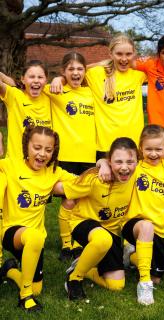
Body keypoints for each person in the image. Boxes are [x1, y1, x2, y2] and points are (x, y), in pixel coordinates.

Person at [54, 137, 138, 300]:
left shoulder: (137, 174)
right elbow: (58, 188)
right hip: (83, 224)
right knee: (102, 239)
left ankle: (85, 268)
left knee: (116, 285)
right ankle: (74, 279)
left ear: (137, 161)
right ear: (110, 161)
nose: (125, 167)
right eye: (118, 162)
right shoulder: (95, 179)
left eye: (130, 161)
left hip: (111, 233)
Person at [0, 125, 73, 311]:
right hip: (11, 232)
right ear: (27, 146)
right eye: (37, 148)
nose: (42, 154)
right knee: (35, 236)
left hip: (35, 242)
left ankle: (9, 270)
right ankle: (25, 297)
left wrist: (102, 164)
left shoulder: (53, 172)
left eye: (48, 150)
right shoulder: (10, 165)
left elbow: (81, 180)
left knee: (38, 288)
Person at [120, 124, 164, 305]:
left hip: (160, 231)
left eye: (158, 149)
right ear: (140, 149)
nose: (153, 153)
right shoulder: (135, 167)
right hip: (136, 224)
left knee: (158, 277)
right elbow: (111, 160)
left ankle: (132, 256)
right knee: (146, 226)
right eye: (149, 149)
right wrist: (102, 163)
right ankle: (144, 284)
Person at [51, 34, 146, 158]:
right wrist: (59, 79)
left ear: (134, 54)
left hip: (134, 144)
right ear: (110, 54)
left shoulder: (139, 75)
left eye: (128, 54)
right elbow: (76, 72)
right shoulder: (96, 73)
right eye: (119, 54)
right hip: (105, 146)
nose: (124, 59)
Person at [45, 52, 96, 261]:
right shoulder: (56, 90)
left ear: (85, 71)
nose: (76, 73)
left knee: (83, 201)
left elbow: (105, 63)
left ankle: (77, 241)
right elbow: (33, 85)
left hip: (88, 155)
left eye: (80, 69)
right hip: (65, 155)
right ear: (63, 72)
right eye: (70, 69)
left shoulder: (91, 92)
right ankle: (67, 244)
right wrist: (57, 80)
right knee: (68, 200)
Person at [0, 60, 51, 159]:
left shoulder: (52, 95)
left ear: (46, 80)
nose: (36, 80)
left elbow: (81, 72)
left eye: (40, 77)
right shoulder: (15, 96)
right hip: (17, 164)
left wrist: (60, 79)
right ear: (23, 79)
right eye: (31, 77)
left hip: (42, 164)